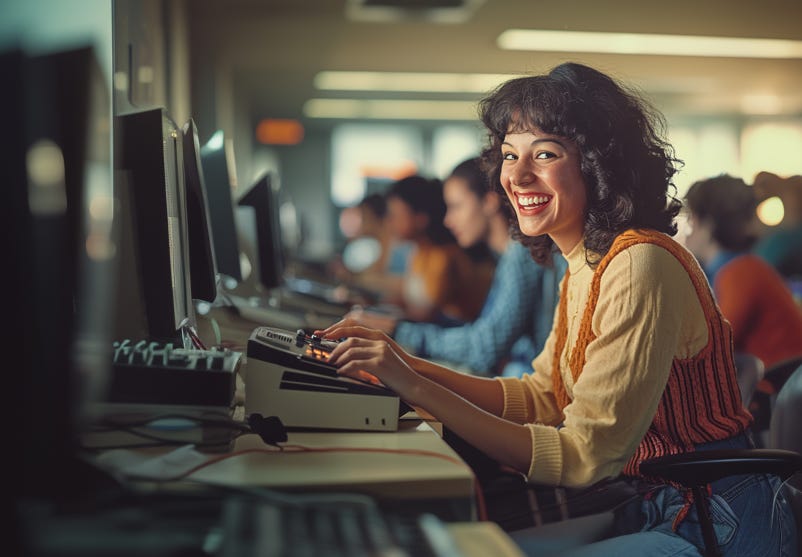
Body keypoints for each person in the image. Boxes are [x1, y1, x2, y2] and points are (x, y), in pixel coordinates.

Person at [317, 62, 796, 556]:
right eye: (509, 155)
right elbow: (542, 396)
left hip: (717, 522)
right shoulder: (584, 264)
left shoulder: (640, 264)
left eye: (544, 153)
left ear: (598, 165)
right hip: (658, 506)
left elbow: (583, 457)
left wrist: (414, 384)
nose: (517, 175)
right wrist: (407, 365)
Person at [347, 157, 566, 377]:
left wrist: (397, 330)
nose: (448, 220)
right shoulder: (504, 255)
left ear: (489, 202)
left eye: (456, 207)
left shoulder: (521, 251)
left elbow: (485, 347)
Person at [683, 173, 802, 369]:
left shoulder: (739, 273)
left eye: (691, 220)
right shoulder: (744, 267)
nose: (688, 233)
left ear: (708, 225)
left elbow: (711, 346)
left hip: (772, 392)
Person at [382, 174, 495, 326]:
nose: (390, 222)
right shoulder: (419, 251)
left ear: (420, 218)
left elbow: (429, 314)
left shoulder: (444, 255)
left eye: (395, 215)